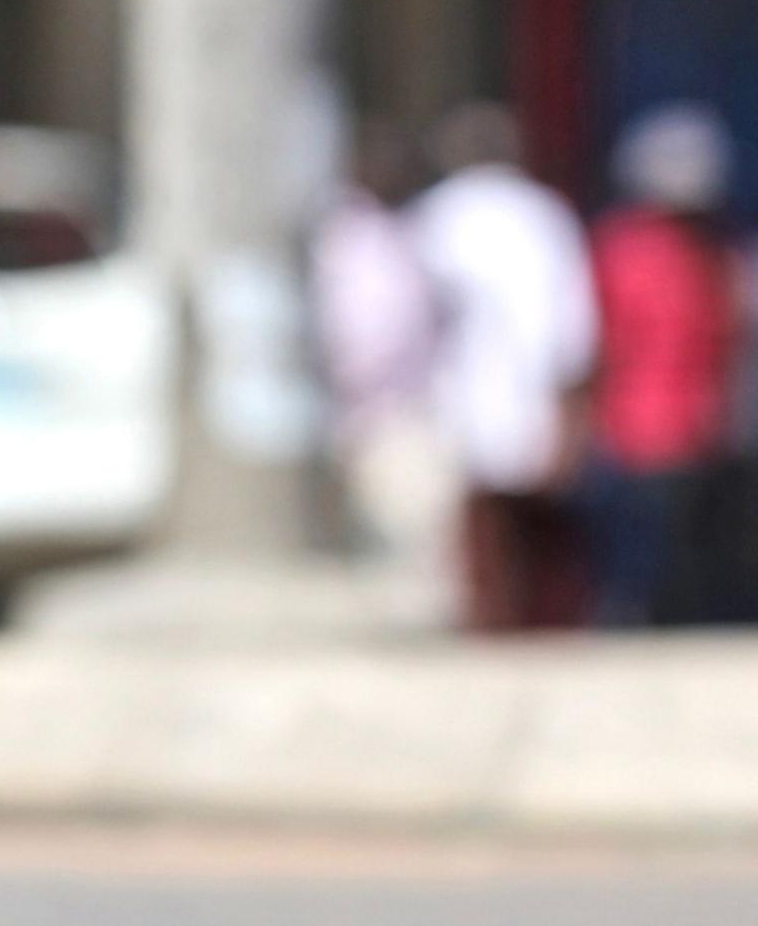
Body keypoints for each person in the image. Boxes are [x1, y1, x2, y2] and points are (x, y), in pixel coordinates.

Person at [406, 102, 597, 633]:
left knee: (486, 524)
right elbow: (570, 326)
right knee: (533, 525)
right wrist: (572, 406)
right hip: (522, 391)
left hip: (462, 393)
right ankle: (537, 623)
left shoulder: (436, 217)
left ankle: (492, 622)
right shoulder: (542, 214)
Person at [582, 103, 738, 629]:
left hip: (681, 425)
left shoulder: (701, 254)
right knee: (644, 551)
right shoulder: (637, 249)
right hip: (647, 425)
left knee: (678, 551)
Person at [311, 122, 449, 605]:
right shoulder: (343, 235)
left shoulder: (408, 230)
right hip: (364, 412)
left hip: (405, 408)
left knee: (416, 535)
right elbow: (359, 332)